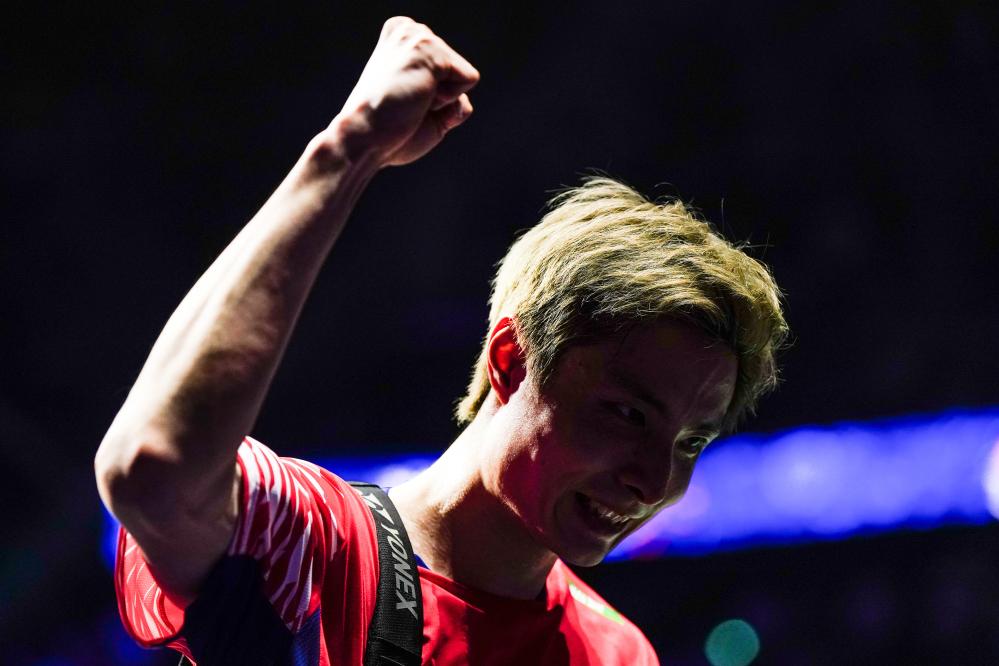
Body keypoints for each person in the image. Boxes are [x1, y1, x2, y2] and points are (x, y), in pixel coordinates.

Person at [95, 16, 787, 665]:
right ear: (511, 360)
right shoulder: (316, 547)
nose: (655, 480)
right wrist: (347, 149)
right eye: (628, 414)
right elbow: (151, 468)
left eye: (690, 442)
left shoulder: (617, 654)